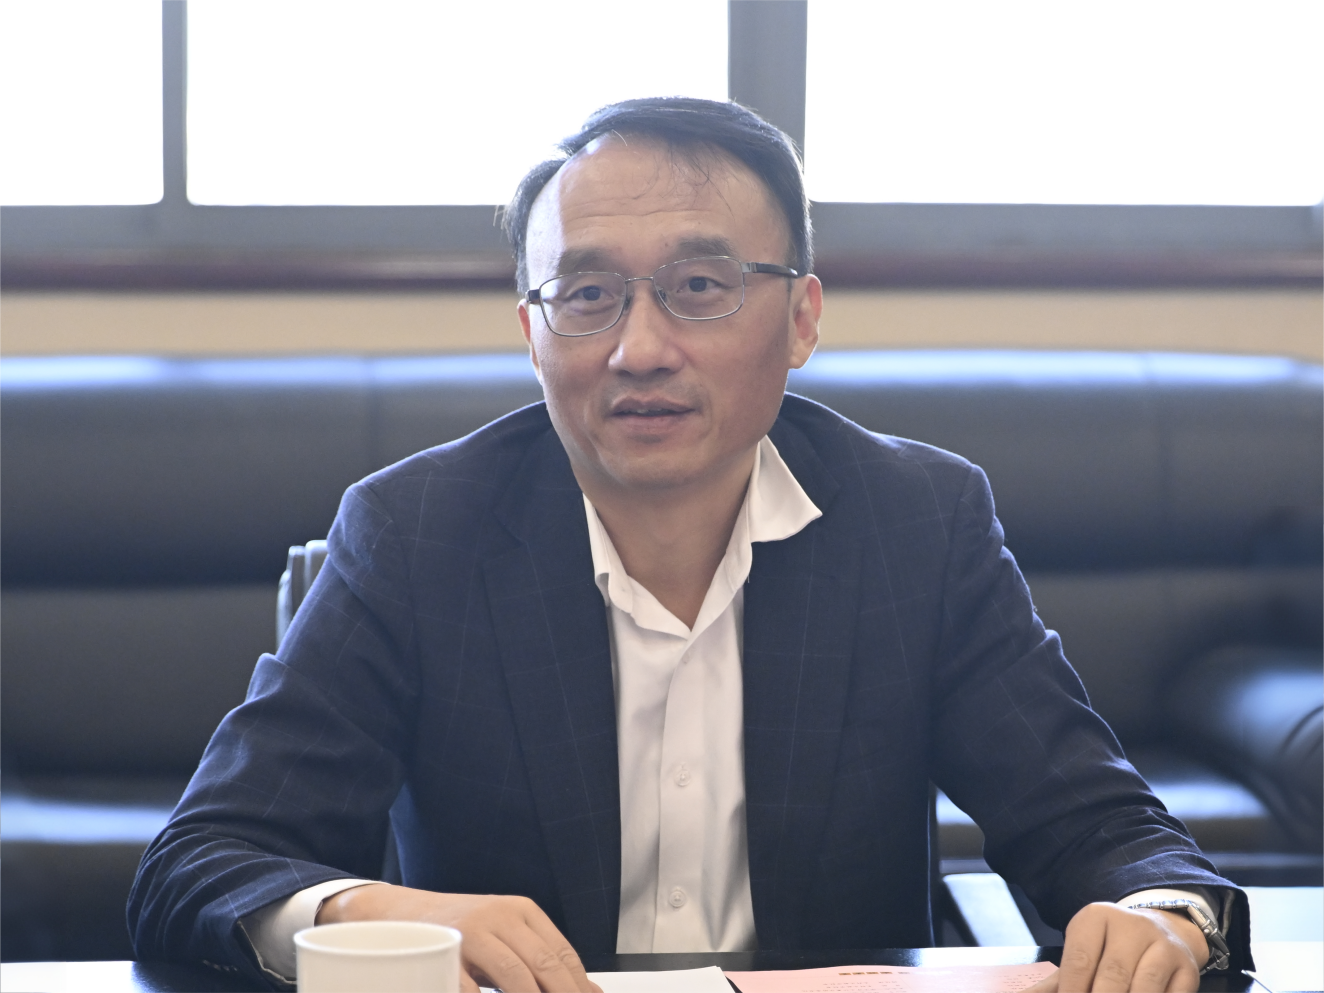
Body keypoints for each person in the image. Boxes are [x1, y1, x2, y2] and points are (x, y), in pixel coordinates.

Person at [128, 98, 1246, 993]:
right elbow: (199, 864)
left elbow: (1099, 828)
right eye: (587, 294)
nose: (640, 349)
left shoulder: (917, 523)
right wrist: (371, 913)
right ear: (532, 334)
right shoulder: (417, 531)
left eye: (700, 288)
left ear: (801, 319)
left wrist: (1155, 915)